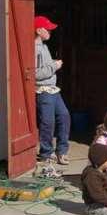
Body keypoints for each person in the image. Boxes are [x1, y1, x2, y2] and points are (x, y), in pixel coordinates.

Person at [34, 16, 71, 165]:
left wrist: (52, 65)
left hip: (53, 90)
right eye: (47, 28)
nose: (50, 31)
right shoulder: (34, 48)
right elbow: (35, 73)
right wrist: (54, 66)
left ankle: (62, 151)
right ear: (38, 30)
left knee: (64, 116)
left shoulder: (44, 46)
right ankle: (46, 153)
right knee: (47, 122)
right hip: (43, 90)